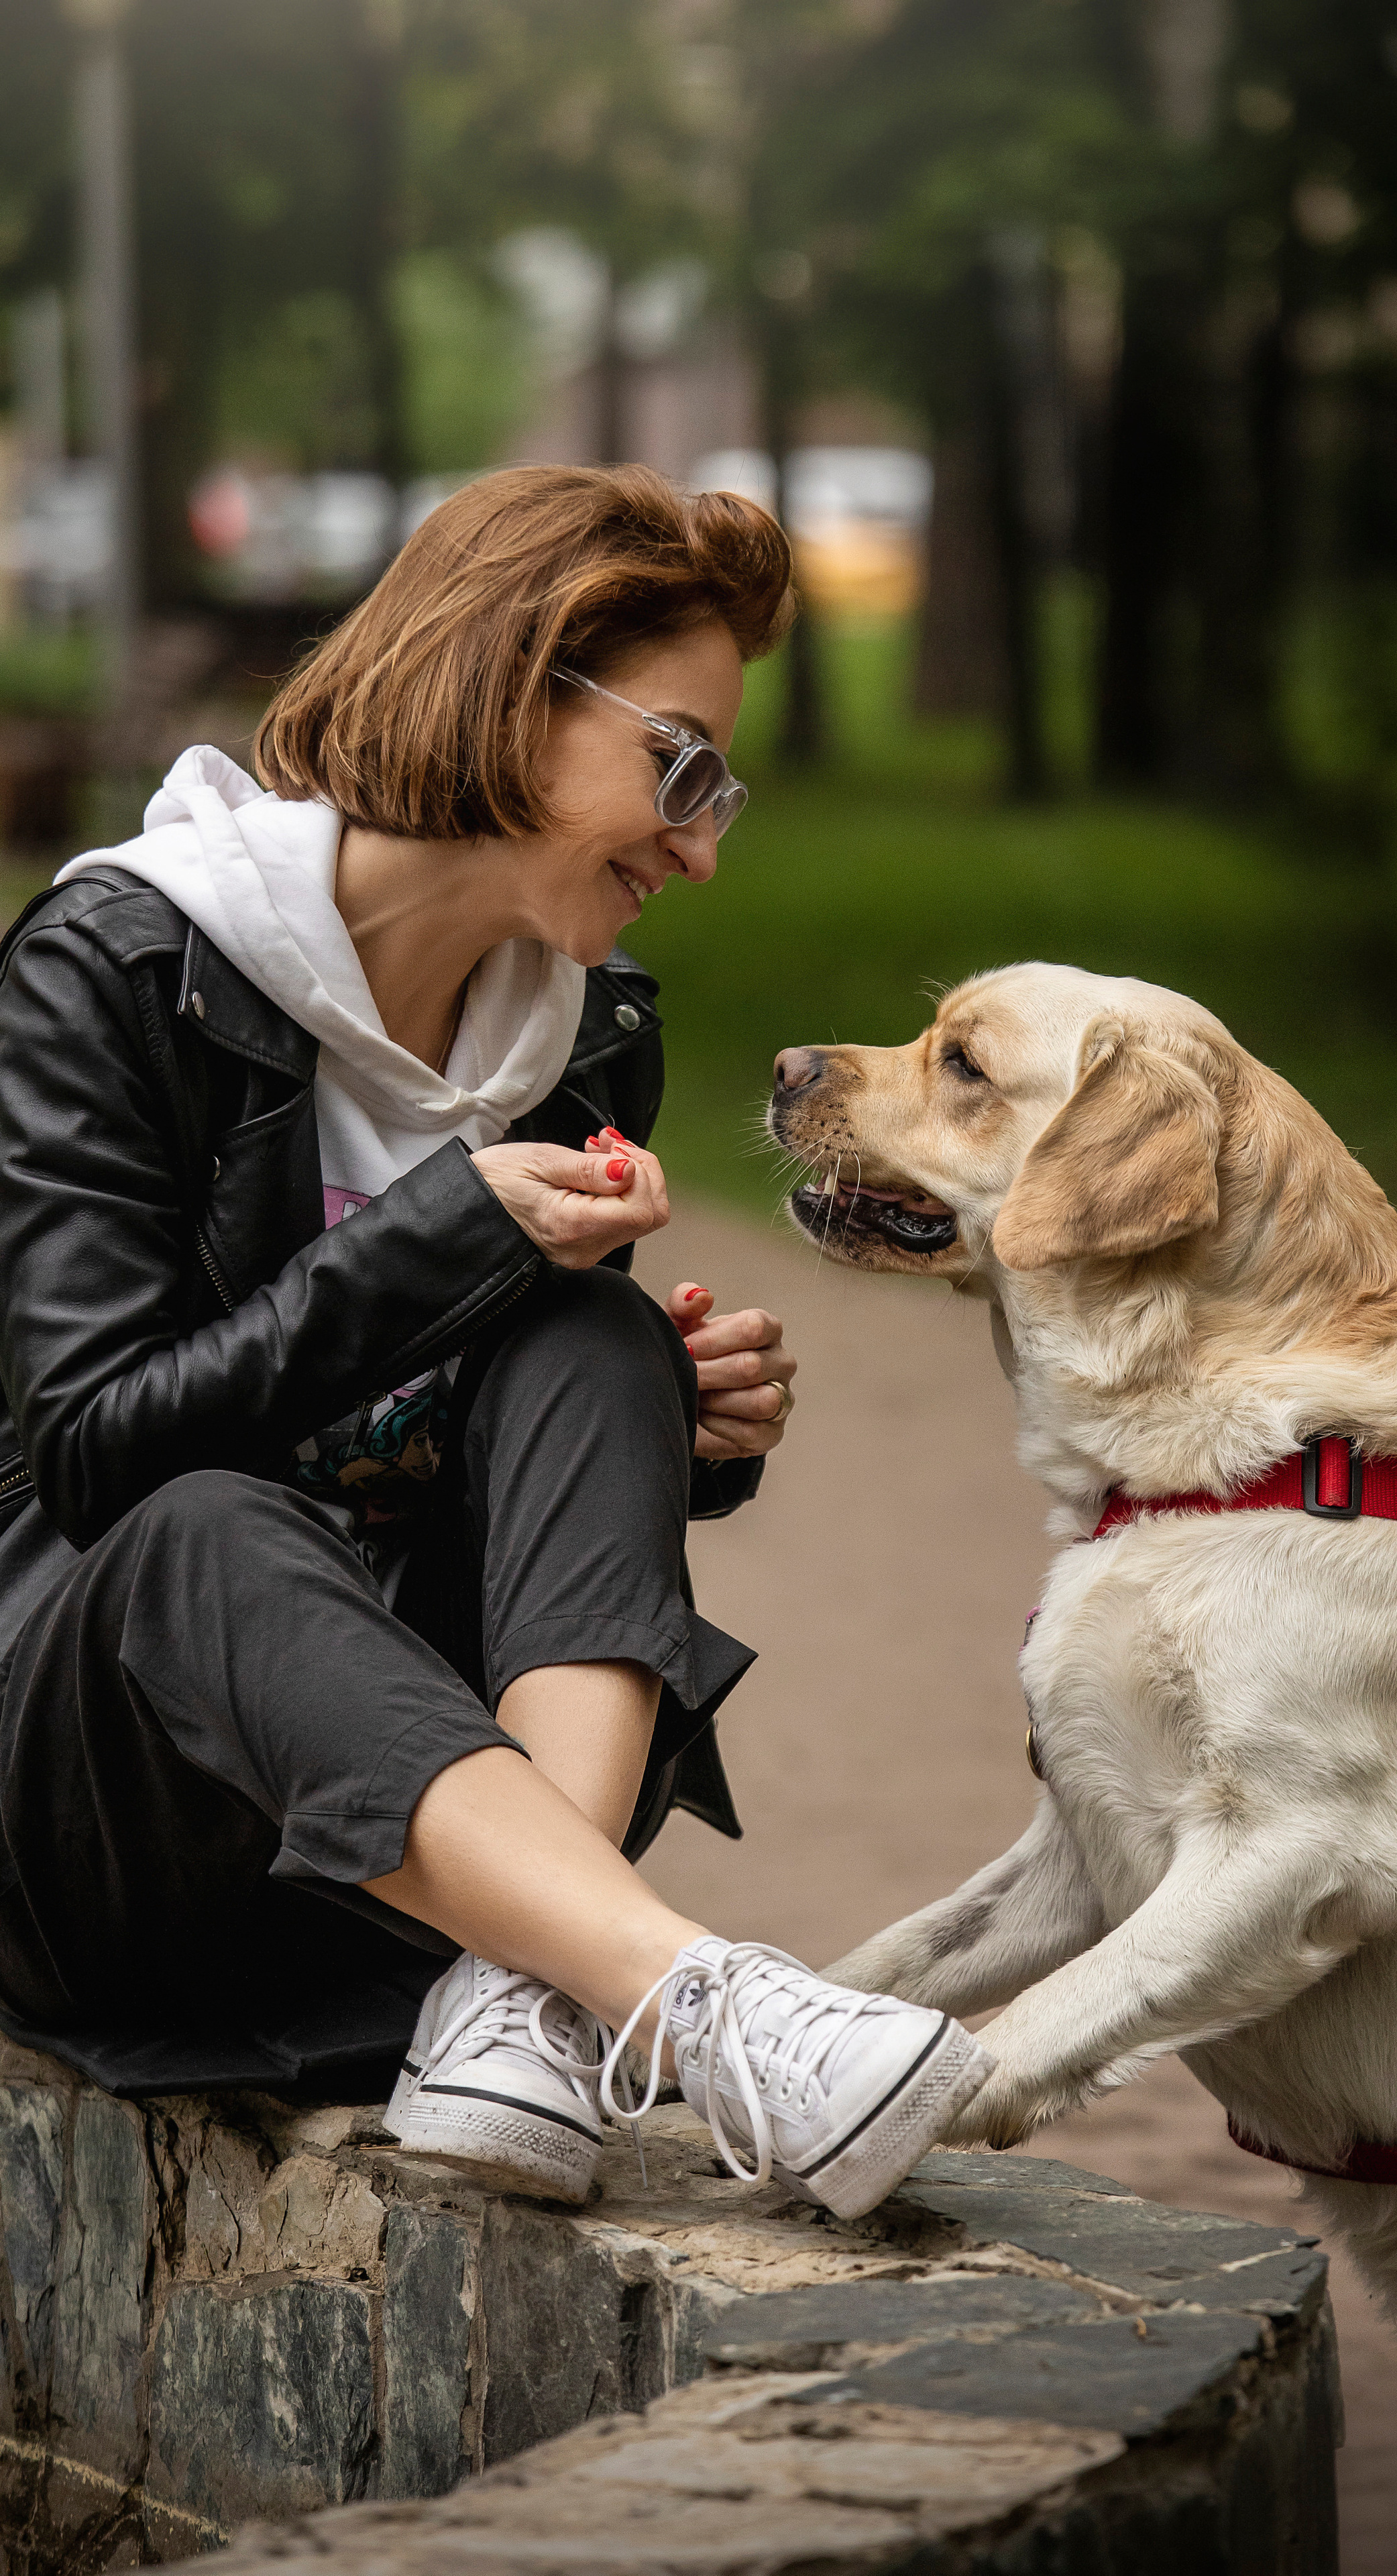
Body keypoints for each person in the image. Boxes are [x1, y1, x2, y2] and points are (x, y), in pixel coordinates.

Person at [0, 464, 989, 2220]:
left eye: (723, 792)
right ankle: (683, 1996)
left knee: (600, 1344)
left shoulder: (586, 1035)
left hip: (382, 1870)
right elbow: (94, 1455)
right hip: (102, 1816)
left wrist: (683, 1438)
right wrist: (441, 1235)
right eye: (681, 769)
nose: (700, 846)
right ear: (511, 689)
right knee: (215, 1525)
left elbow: (499, 1460)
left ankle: (525, 1994)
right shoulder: (114, 970)